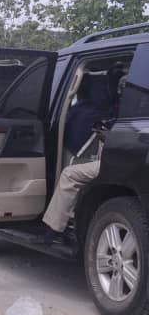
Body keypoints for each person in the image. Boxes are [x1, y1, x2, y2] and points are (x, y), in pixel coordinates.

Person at [37, 68, 126, 244]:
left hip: (119, 164)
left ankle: (53, 231)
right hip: (123, 161)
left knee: (69, 174)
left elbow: (70, 139)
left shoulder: (83, 112)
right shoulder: (116, 110)